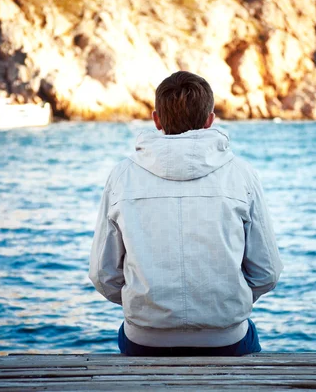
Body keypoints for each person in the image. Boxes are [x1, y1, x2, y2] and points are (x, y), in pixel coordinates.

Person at [89, 71, 283, 356]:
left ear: (157, 120)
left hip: (145, 338)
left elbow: (103, 275)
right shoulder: (242, 175)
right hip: (224, 338)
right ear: (210, 120)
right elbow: (266, 272)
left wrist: (150, 308)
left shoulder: (122, 175)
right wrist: (222, 306)